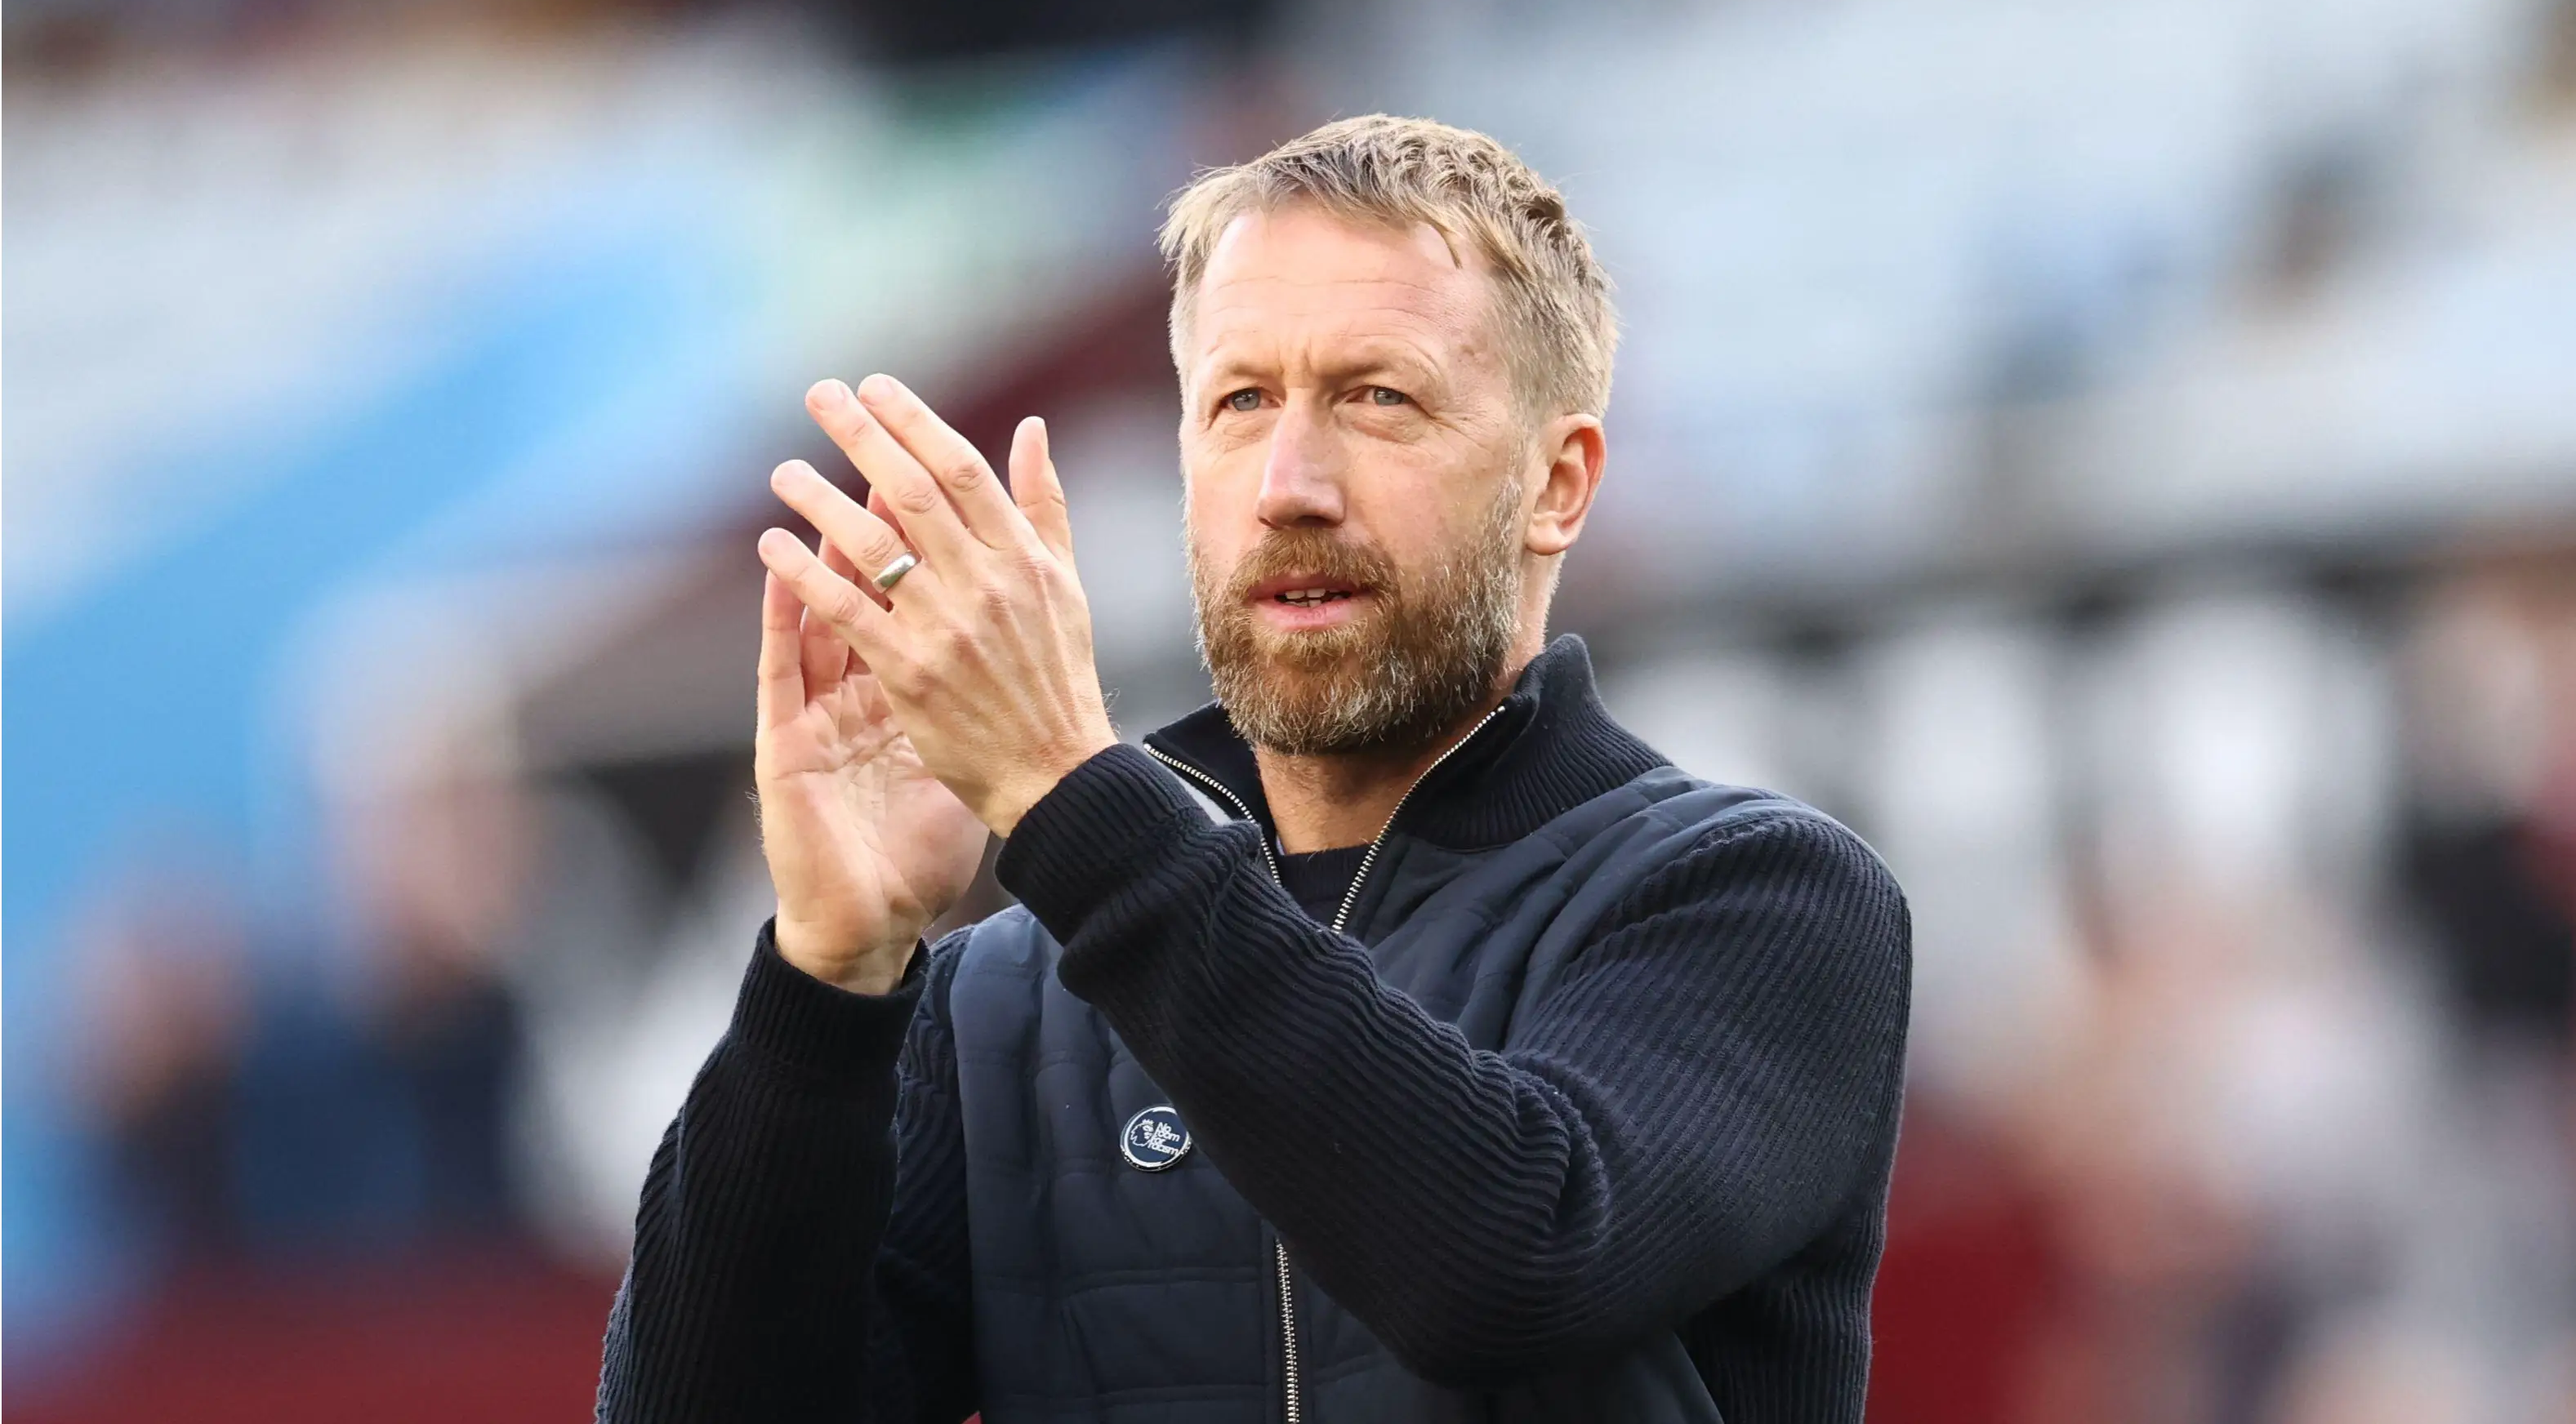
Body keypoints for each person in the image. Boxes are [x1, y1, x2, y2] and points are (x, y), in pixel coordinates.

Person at [595, 115, 1911, 1424]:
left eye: (1375, 397)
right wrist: (826, 978)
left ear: (1553, 486)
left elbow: (1509, 1266)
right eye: (1238, 403)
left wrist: (1069, 792)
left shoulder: (1761, 899)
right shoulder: (1001, 1002)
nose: (1289, 483)